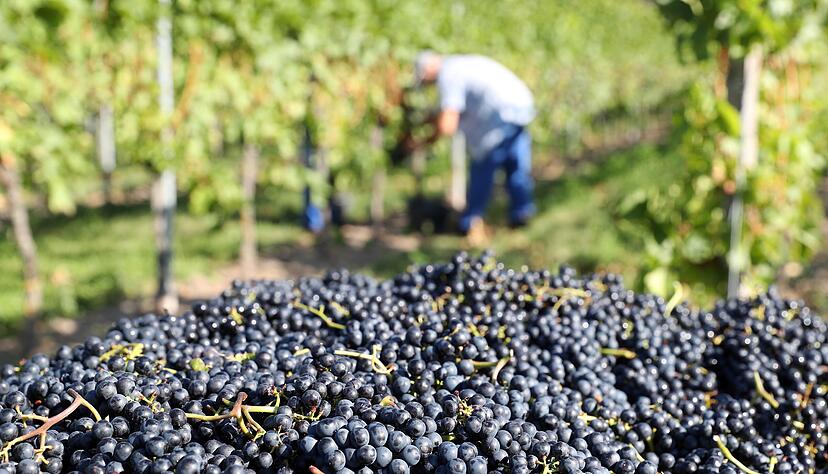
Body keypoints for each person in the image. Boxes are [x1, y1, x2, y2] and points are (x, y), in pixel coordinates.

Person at [412, 51, 536, 240]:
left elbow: (447, 124)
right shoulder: (461, 64)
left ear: (428, 69)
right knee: (515, 165)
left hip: (498, 118)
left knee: (483, 168)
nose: (429, 84)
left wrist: (423, 141)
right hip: (520, 107)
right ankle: (521, 215)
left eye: (426, 79)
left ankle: (469, 222)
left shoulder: (448, 75)